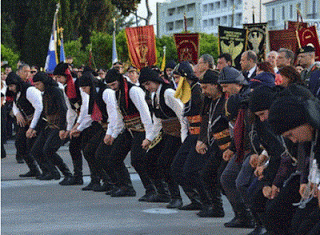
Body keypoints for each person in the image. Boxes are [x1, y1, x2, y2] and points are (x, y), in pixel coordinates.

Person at [268, 90, 320, 235]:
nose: (294, 140)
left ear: (302, 122)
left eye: (290, 134)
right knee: (300, 226)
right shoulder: (312, 135)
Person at [139, 67, 188, 208]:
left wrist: (184, 140)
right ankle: (162, 192)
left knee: (164, 163)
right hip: (166, 133)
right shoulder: (155, 96)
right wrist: (149, 138)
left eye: (148, 84)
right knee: (148, 159)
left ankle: (176, 197)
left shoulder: (168, 93)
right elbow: (158, 121)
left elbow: (182, 116)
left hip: (178, 134)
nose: (147, 87)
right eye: (144, 86)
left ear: (155, 80)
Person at [104, 68, 156, 197]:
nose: (112, 88)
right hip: (129, 130)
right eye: (110, 86)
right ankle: (126, 187)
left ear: (120, 80)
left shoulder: (134, 90)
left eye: (114, 84)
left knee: (138, 160)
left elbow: (145, 114)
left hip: (141, 130)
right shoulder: (117, 93)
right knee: (113, 158)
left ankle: (152, 190)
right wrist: (113, 135)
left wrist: (149, 136)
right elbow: (120, 116)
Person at [218, 66, 255, 229]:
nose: (224, 90)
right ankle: (242, 215)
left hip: (253, 150)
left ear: (238, 84)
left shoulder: (248, 100)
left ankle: (257, 219)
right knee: (226, 178)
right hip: (241, 148)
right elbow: (237, 129)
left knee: (242, 183)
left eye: (226, 86)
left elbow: (253, 131)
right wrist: (232, 148)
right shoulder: (237, 99)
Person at [31, 72, 72, 182]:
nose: (36, 87)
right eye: (34, 85)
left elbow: (63, 109)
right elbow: (44, 113)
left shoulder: (56, 91)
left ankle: (67, 173)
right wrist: (34, 128)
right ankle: (51, 172)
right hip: (48, 125)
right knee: (35, 150)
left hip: (58, 125)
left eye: (38, 84)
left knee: (48, 150)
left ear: (44, 82)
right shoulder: (44, 94)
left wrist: (62, 128)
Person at [5, 72, 43, 177]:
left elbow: (39, 108)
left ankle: (47, 171)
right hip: (26, 121)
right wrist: (17, 114)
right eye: (9, 86)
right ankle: (34, 170)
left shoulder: (29, 90)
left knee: (35, 147)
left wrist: (32, 127)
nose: (10, 88)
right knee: (19, 144)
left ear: (17, 83)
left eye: (12, 86)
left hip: (36, 121)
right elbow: (14, 103)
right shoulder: (16, 92)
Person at [53, 62, 84, 185]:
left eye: (59, 77)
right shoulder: (66, 88)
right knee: (74, 148)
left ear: (66, 75)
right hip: (78, 120)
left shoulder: (79, 85)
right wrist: (68, 128)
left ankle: (102, 179)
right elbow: (70, 111)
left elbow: (86, 107)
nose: (58, 80)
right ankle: (78, 176)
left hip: (89, 120)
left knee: (90, 151)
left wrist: (78, 126)